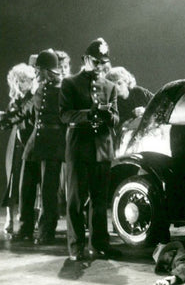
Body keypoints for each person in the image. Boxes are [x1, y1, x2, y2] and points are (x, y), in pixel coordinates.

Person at [59, 38, 120, 261]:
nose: (100, 66)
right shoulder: (70, 83)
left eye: (103, 62)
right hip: (78, 148)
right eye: (96, 61)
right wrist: (89, 114)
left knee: (99, 201)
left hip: (102, 150)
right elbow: (64, 114)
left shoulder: (110, 87)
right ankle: (76, 247)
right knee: (75, 200)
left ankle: (100, 245)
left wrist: (108, 116)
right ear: (85, 59)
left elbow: (115, 118)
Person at [13, 49, 67, 245]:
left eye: (38, 69)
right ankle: (25, 227)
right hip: (34, 143)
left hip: (53, 144)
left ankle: (46, 232)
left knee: (48, 191)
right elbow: (27, 111)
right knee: (25, 187)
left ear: (48, 70)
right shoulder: (39, 88)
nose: (35, 72)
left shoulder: (63, 89)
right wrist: (9, 118)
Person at [0, 63, 37, 238]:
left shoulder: (34, 98)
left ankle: (26, 219)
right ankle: (9, 218)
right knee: (12, 181)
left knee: (27, 184)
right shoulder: (15, 101)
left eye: (23, 81)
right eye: (16, 81)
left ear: (30, 81)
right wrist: (1, 118)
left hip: (30, 143)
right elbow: (6, 125)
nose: (19, 85)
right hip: (16, 144)